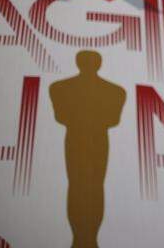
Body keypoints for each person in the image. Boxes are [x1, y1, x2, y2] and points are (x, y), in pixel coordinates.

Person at [50, 51, 126, 248]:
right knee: (88, 184)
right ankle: (84, 238)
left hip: (82, 138)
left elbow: (61, 116)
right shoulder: (115, 91)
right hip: (91, 138)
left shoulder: (60, 88)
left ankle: (87, 238)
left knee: (81, 184)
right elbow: (112, 120)